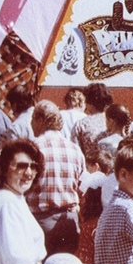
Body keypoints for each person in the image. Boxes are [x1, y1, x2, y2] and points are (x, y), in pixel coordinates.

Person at [28, 100, 86, 255]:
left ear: (40, 120)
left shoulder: (33, 148)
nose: (31, 123)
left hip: (40, 220)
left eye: (33, 118)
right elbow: (81, 185)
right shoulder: (75, 149)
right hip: (68, 220)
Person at [72, 83, 114, 156]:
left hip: (91, 165)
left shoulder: (81, 124)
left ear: (89, 102)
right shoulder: (114, 120)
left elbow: (75, 152)